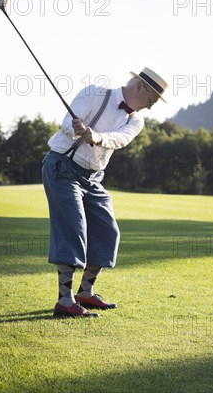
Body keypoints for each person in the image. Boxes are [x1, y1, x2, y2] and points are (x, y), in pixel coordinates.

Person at [42, 67, 169, 317]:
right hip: (62, 166)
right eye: (151, 100)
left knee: (107, 231)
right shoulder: (94, 94)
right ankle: (64, 301)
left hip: (93, 177)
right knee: (72, 228)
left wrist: (95, 137)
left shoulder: (137, 120)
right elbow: (67, 122)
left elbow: (119, 139)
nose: (151, 106)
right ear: (139, 87)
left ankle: (85, 293)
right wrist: (76, 130)